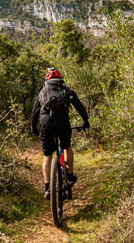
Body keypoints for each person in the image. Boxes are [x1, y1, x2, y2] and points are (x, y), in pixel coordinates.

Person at [31, 67, 90, 199]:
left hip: (45, 123)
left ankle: (47, 188)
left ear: (47, 80)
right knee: (67, 146)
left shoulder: (43, 91)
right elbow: (79, 107)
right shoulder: (66, 90)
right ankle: (69, 176)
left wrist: (33, 128)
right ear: (60, 79)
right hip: (62, 122)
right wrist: (85, 121)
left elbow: (35, 112)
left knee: (47, 156)